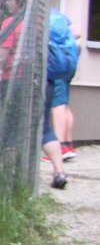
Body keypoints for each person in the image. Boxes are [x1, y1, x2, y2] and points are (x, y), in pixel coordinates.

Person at [45, 10, 80, 172]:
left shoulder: (45, 15)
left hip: (56, 63)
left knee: (57, 106)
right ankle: (68, 145)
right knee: (64, 105)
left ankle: (58, 146)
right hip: (69, 63)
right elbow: (77, 33)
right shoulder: (60, 15)